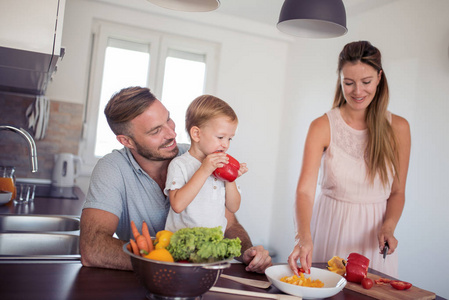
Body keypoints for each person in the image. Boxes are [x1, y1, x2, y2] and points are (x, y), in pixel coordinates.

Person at [80, 86, 272, 272]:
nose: (172, 133)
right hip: (143, 282)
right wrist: (170, 262)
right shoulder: (112, 169)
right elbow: (92, 249)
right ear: (126, 141)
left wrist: (248, 251)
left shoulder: (200, 156)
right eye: (156, 131)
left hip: (202, 275)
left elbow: (229, 223)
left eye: (169, 119)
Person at [287, 41, 411, 277]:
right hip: (330, 228)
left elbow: (397, 192)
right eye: (348, 83)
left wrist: (389, 226)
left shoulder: (399, 128)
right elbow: (304, 191)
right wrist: (303, 237)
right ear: (340, 80)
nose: (357, 91)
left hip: (372, 240)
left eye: (366, 82)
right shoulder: (322, 126)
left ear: (379, 78)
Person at [164, 95, 248, 233]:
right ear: (196, 134)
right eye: (220, 137)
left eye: (230, 139)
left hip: (212, 245)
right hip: (183, 245)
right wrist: (204, 170)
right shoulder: (180, 164)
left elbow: (233, 207)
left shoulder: (221, 165)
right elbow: (177, 205)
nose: (226, 144)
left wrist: (231, 178)